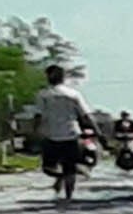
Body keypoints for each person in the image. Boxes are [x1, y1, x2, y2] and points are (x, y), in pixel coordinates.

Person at [27, 64, 94, 203]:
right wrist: (99, 133)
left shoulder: (44, 95)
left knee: (48, 167)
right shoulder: (72, 94)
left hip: (54, 136)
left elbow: (38, 116)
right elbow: (86, 116)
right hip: (69, 135)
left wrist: (33, 132)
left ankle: (66, 187)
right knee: (67, 168)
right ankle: (68, 189)